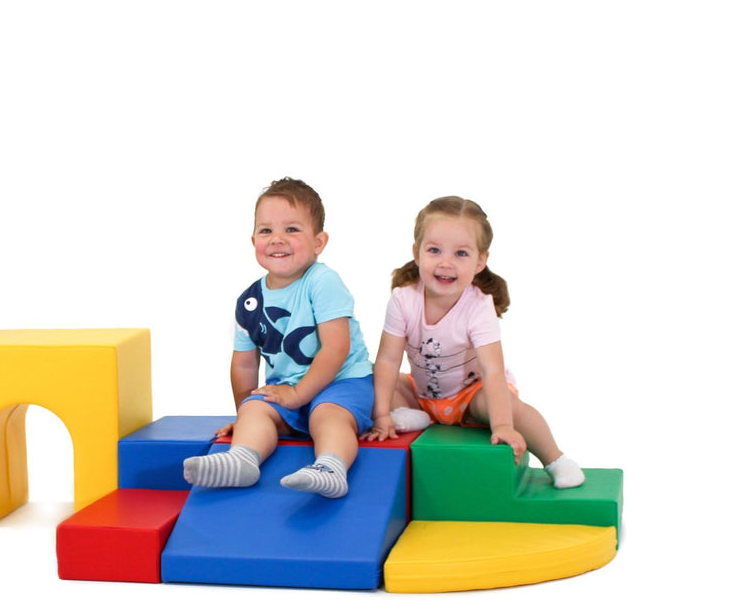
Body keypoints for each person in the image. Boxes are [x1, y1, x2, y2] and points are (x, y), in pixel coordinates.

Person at [361, 195, 585, 489]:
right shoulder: (404, 299)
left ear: (481, 261)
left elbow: (492, 370)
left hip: (470, 396)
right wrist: (380, 415)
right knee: (367, 376)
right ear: (417, 253)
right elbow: (389, 360)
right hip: (423, 395)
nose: (445, 262)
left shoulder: (479, 307)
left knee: (509, 405)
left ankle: (555, 459)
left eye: (461, 254)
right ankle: (413, 416)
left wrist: (503, 425)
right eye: (434, 250)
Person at [182, 178, 374, 498]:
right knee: (257, 409)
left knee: (327, 414)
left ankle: (330, 467)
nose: (277, 240)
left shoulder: (322, 281)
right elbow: (244, 366)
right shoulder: (250, 301)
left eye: (292, 230)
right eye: (266, 230)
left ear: (319, 241)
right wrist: (244, 415)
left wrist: (299, 394)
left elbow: (336, 348)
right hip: (289, 394)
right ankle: (242, 460)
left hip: (342, 383)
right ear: (253, 238)